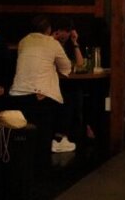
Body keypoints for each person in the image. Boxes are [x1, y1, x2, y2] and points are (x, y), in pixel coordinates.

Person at [9, 15, 76, 153]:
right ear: (49, 29)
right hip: (39, 97)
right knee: (68, 99)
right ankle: (58, 139)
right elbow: (66, 69)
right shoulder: (52, 43)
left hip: (16, 94)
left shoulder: (23, 41)